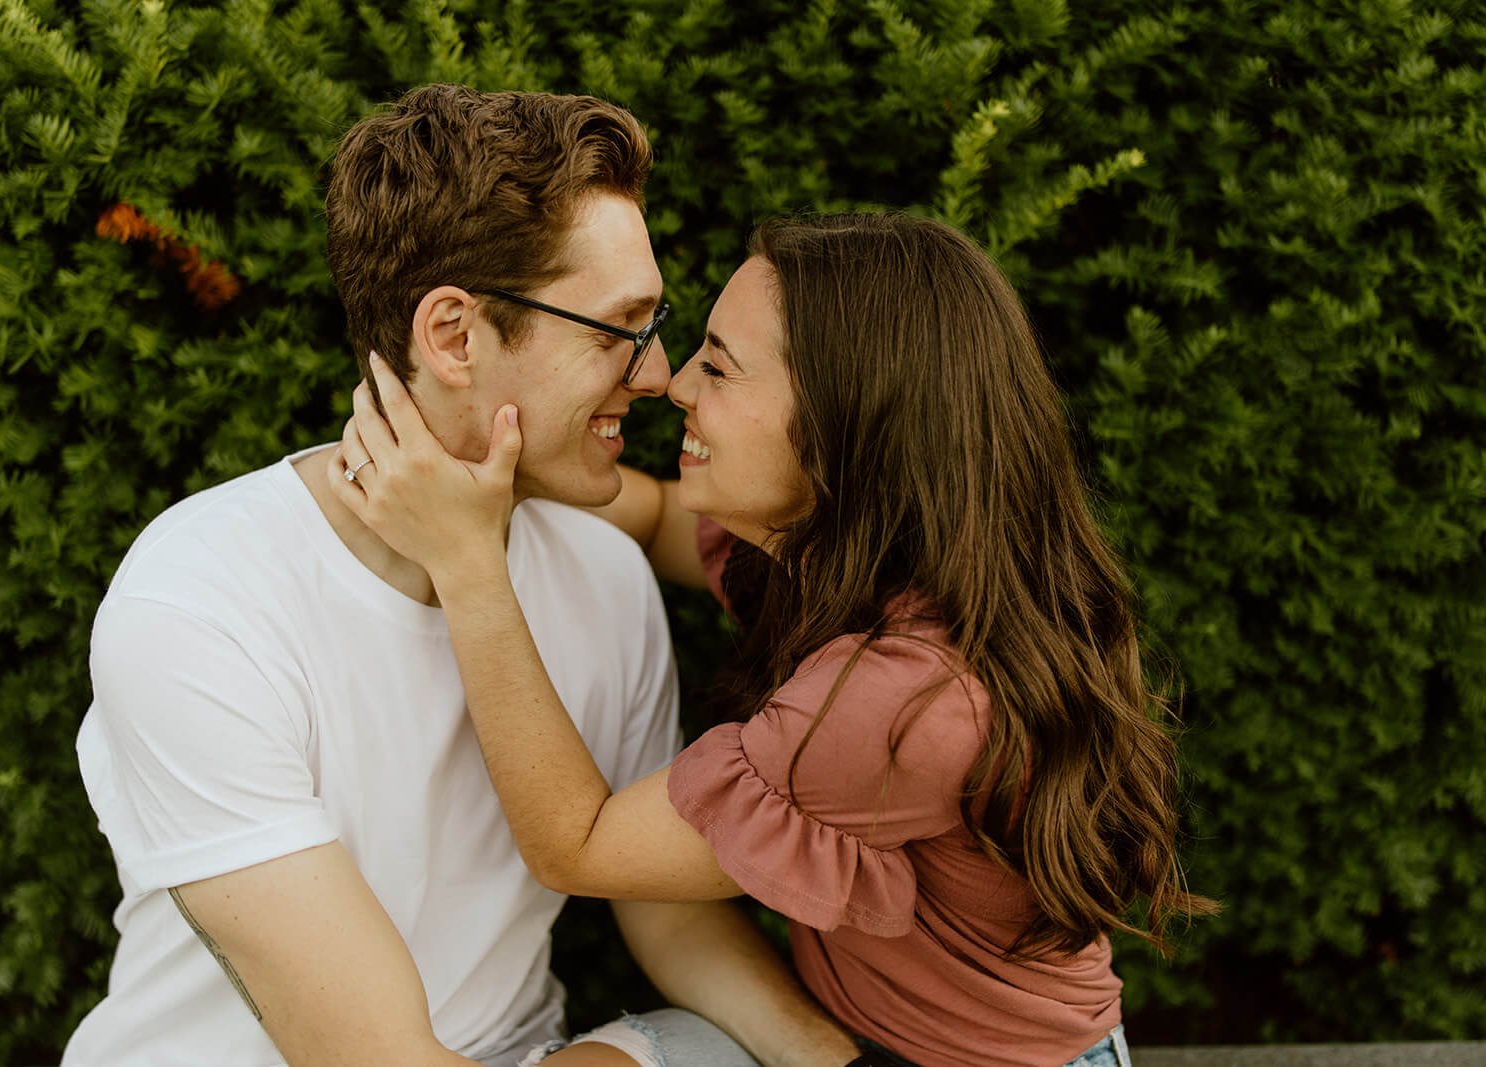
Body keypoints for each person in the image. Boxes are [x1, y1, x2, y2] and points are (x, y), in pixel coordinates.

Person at [64, 85, 862, 1067]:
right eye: (619, 327)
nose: (656, 376)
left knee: (713, 1048)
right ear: (452, 336)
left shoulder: (605, 575)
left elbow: (670, 922)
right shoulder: (200, 598)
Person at [331, 212, 1220, 1067]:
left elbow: (580, 843)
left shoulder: (899, 697)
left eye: (718, 367)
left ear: (841, 421)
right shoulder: (872, 564)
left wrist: (467, 561)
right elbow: (653, 521)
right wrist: (502, 452)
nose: (674, 383)